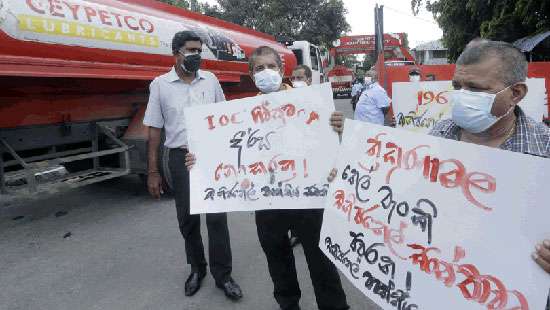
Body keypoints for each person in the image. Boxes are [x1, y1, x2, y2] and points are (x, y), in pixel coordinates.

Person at [187, 46, 350, 310]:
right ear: (252, 75)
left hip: (308, 200)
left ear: (282, 70)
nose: (266, 73)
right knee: (278, 262)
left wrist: (338, 129)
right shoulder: (239, 115)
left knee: (321, 262)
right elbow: (223, 152)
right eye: (259, 68)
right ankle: (288, 305)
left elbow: (331, 145)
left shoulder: (310, 102)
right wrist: (199, 161)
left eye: (271, 67)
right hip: (268, 203)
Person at [428, 39, 550, 310]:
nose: (461, 95)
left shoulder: (545, 148)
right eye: (457, 86)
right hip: (441, 285)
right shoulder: (439, 134)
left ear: (516, 93)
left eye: (475, 88)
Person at [143, 31, 242, 301]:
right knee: (187, 219)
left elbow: (226, 118)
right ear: (176, 52)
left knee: (217, 219)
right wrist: (152, 172)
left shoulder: (210, 81)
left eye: (199, 50)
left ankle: (223, 275)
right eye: (190, 50)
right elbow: (153, 131)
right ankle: (197, 269)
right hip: (179, 158)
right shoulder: (160, 85)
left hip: (210, 157)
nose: (196, 55)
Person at [287, 64, 314, 248]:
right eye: (293, 79)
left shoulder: (318, 101)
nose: (296, 82)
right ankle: (295, 232)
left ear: (309, 80)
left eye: (300, 78)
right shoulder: (285, 102)